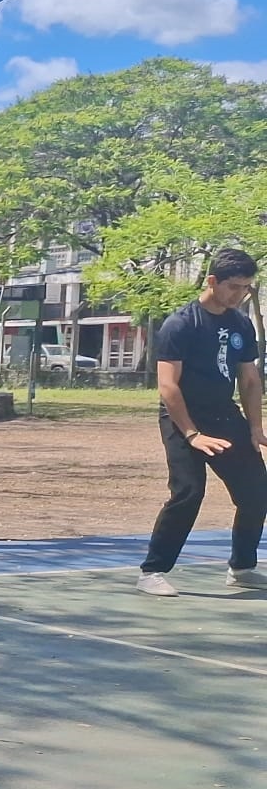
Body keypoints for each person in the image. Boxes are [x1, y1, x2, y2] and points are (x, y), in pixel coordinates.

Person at [137, 248, 266, 596]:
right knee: (188, 492)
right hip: (183, 419)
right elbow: (168, 385)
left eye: (246, 289)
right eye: (235, 287)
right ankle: (152, 571)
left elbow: (250, 381)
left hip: (224, 416)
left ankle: (241, 567)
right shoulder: (181, 323)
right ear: (213, 281)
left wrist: (255, 427)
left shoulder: (240, 323)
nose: (240, 295)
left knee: (257, 493)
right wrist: (192, 434)